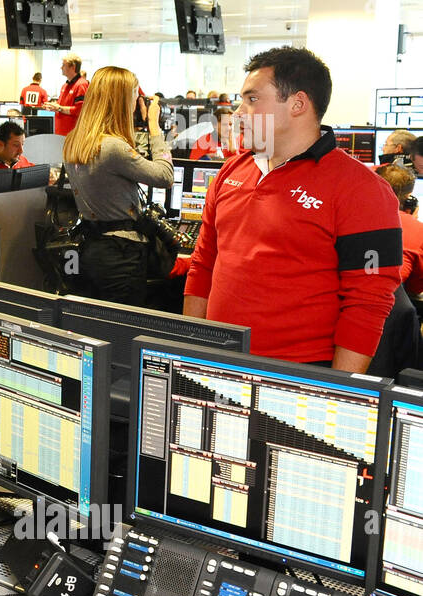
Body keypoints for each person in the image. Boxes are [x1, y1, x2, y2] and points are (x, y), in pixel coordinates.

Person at [184, 46, 402, 371]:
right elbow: (204, 265)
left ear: (298, 103)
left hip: (298, 376)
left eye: (252, 100)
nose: (239, 113)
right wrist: (190, 351)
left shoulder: (363, 189)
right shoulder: (230, 173)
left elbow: (368, 301)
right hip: (219, 363)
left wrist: (338, 392)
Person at [62, 66, 174, 306]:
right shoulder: (113, 148)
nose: (137, 100)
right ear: (121, 99)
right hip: (122, 255)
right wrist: (154, 125)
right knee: (123, 330)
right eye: (135, 94)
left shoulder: (75, 141)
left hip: (93, 248)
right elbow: (165, 175)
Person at [377, 164, 423, 296]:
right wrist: (410, 220)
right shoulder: (417, 230)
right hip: (390, 307)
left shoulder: (349, 216)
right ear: (409, 197)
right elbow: (415, 287)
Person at [42, 54, 87, 135]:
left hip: (72, 134)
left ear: (73, 67)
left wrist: (59, 108)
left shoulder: (81, 84)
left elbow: (79, 110)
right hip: (60, 132)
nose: (61, 67)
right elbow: (61, 105)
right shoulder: (65, 86)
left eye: (63, 65)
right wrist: (52, 107)